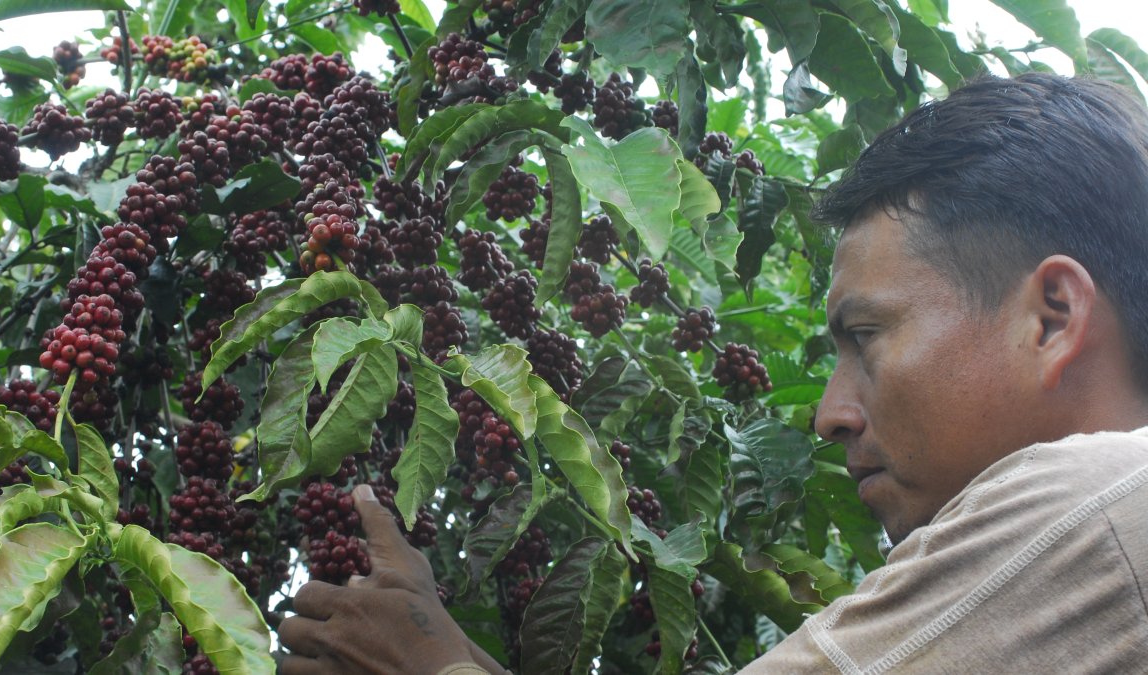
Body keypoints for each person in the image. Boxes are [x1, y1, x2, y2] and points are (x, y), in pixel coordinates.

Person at [278, 72, 1148, 673]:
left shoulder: (1092, 498)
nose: (830, 413)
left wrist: (425, 659)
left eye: (867, 335)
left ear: (1053, 317)